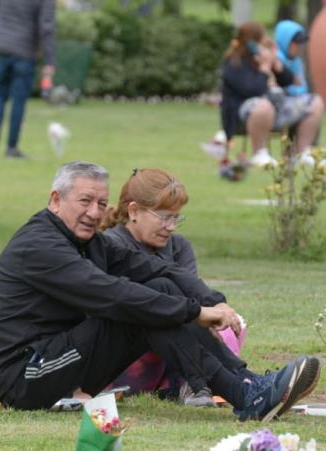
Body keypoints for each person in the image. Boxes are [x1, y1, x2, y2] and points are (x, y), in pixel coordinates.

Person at [0, 161, 320, 422]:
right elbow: (111, 294)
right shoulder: (40, 245)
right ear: (55, 200)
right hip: (26, 373)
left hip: (64, 358)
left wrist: (212, 300)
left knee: (157, 289)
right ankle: (245, 395)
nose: (94, 213)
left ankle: (248, 384)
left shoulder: (89, 241)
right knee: (134, 307)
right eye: (85, 201)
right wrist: (197, 313)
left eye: (101, 203)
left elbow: (160, 269)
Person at [101, 168, 245, 407]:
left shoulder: (178, 246)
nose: (171, 227)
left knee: (226, 323)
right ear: (134, 211)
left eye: (175, 217)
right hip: (129, 345)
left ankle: (224, 380)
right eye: (163, 217)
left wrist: (217, 306)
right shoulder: (112, 246)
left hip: (177, 336)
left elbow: (192, 299)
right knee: (162, 292)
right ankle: (210, 381)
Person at [0, 0, 59, 159]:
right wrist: (50, 61)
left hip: (1, 47)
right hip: (24, 52)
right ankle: (11, 148)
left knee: (0, 95)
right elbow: (47, 29)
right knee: (18, 100)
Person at [220, 22, 298, 168]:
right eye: (261, 41)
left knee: (309, 103)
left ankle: (299, 153)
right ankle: (259, 153)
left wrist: (277, 65)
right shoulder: (233, 62)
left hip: (271, 110)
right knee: (264, 105)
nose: (262, 45)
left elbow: (288, 81)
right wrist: (264, 69)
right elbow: (251, 90)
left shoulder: (259, 58)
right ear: (251, 41)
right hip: (240, 114)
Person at [274, 20, 325, 154]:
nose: (300, 46)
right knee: (313, 105)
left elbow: (302, 87)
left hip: (293, 102)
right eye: (296, 42)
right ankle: (301, 153)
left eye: (302, 42)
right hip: (276, 107)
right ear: (285, 40)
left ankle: (299, 152)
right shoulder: (275, 59)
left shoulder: (296, 61)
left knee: (312, 106)